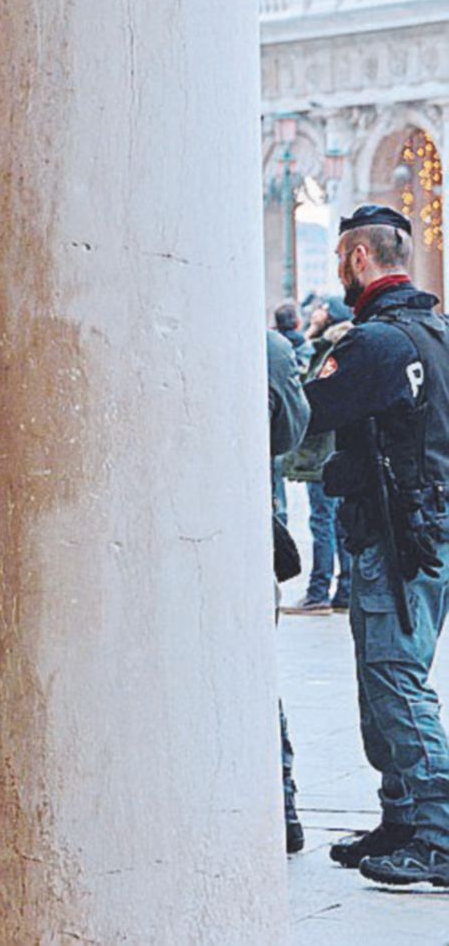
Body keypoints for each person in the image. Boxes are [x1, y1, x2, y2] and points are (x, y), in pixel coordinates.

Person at [304, 205, 449, 887]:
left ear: (359, 259)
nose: (338, 272)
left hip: (393, 535)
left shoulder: (376, 342)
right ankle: (401, 817)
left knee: (394, 677)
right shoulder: (436, 332)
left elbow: (308, 412)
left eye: (340, 258)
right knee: (386, 677)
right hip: (427, 529)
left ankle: (439, 832)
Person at [283, 296, 354, 614]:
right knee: (335, 523)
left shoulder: (327, 349)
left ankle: (318, 592)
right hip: (329, 451)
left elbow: (310, 395)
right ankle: (343, 591)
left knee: (323, 522)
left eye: (321, 310)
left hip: (321, 454)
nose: (315, 313)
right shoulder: (327, 346)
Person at [268, 329, 311, 854]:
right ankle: (280, 806)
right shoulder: (271, 349)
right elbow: (290, 433)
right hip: (240, 529)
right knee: (254, 670)